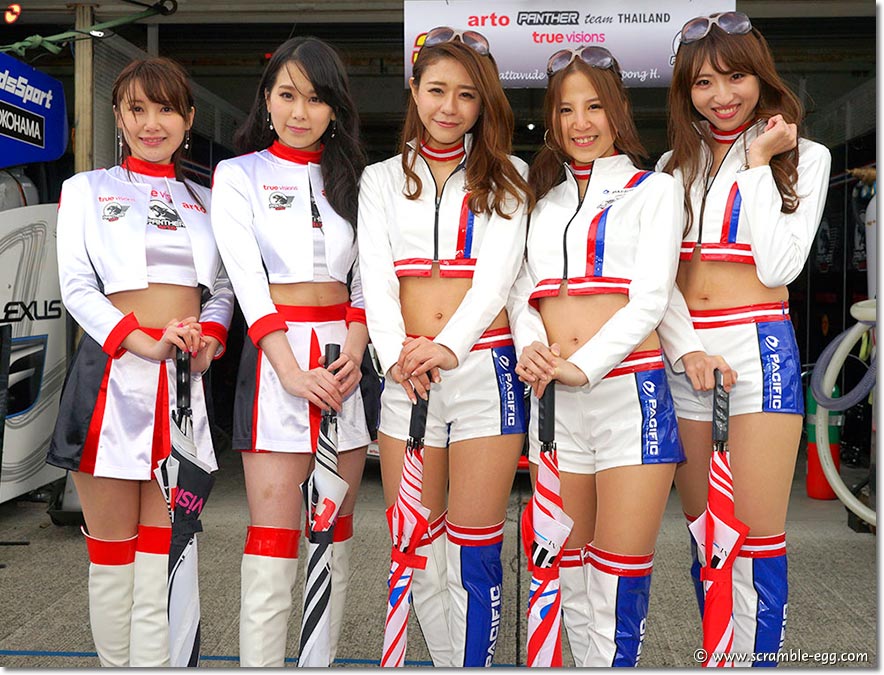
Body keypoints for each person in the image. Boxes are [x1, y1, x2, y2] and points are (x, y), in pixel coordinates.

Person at [656, 11, 831, 661]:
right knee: (707, 536)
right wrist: (686, 349)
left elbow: (779, 267)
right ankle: (719, 657)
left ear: (761, 77)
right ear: (685, 91)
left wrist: (759, 162)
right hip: (687, 356)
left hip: (759, 348)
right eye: (704, 82)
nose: (722, 95)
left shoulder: (805, 156)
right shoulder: (672, 165)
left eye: (736, 77)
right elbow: (658, 280)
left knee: (755, 537)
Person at [47, 57, 233, 667]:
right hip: (110, 381)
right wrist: (141, 341)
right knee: (112, 561)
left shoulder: (210, 199)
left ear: (189, 117)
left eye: (166, 109)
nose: (152, 123)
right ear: (119, 116)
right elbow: (77, 287)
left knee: (160, 565)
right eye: (137, 109)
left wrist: (209, 337)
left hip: (181, 386)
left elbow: (225, 287)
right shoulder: (85, 189)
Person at [357, 27, 533, 667]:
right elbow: (375, 277)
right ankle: (444, 661)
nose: (449, 107)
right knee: (416, 547)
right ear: (414, 90)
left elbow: (498, 278)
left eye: (466, 94)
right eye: (436, 90)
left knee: (475, 546)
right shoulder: (380, 178)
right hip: (406, 376)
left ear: (483, 102)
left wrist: (449, 348)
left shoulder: (510, 174)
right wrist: (394, 357)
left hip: (486, 368)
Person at [510, 45, 685, 667]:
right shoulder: (541, 199)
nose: (580, 123)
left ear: (619, 112)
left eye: (594, 107)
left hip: (629, 396)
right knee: (566, 572)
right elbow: (519, 289)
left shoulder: (656, 190)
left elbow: (651, 299)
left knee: (618, 574)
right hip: (553, 403)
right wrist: (532, 346)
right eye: (566, 110)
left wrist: (581, 366)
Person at [210, 36, 370, 667]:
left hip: (344, 363)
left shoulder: (359, 179)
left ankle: (318, 663)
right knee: (272, 538)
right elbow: (246, 282)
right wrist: (290, 372)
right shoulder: (238, 175)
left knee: (331, 535)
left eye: (316, 98)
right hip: (276, 361)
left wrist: (353, 355)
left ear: (336, 107)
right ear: (267, 99)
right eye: (287, 95)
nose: (300, 111)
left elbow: (368, 279)